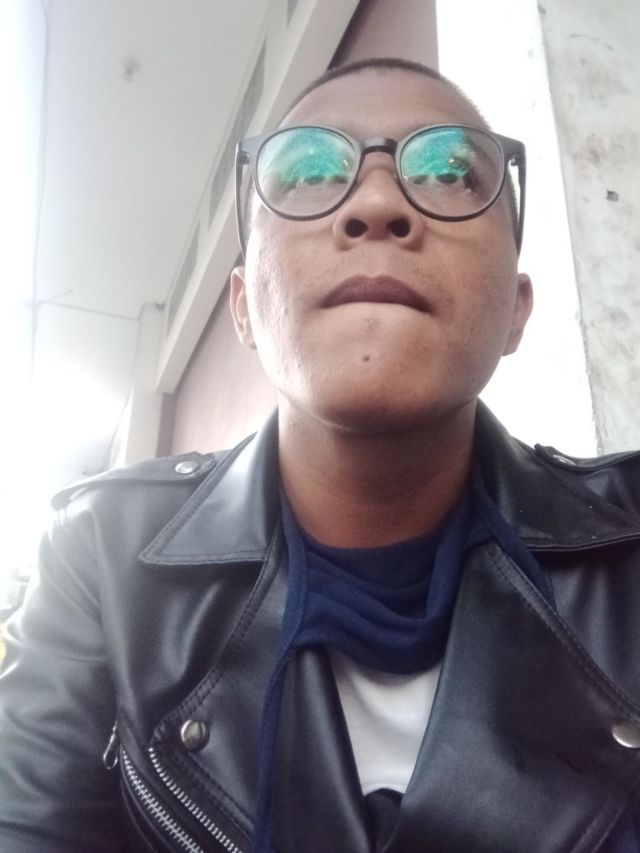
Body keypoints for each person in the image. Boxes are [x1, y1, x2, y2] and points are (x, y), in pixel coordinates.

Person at [2, 56, 640, 853]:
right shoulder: (104, 555)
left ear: (516, 308)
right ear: (244, 307)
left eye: (448, 172)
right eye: (308, 171)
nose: (376, 204)